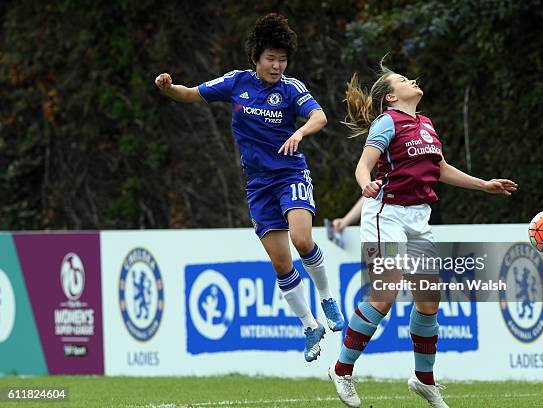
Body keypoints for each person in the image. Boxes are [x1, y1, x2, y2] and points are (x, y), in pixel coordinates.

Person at [154, 13, 344, 362]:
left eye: (282, 59)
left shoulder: (291, 88)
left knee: (302, 239)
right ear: (255, 57)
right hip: (258, 185)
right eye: (270, 58)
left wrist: (300, 132)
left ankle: (327, 299)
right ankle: (309, 325)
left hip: (290, 175)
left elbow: (319, 116)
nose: (276, 65)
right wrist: (168, 88)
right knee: (281, 264)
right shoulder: (236, 83)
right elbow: (191, 94)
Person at [328, 62, 517, 407]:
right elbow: (363, 164)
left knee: (429, 302)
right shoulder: (387, 122)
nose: (412, 80)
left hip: (419, 217)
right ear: (391, 96)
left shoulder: (426, 124)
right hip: (387, 213)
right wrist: (364, 183)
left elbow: (441, 169)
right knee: (384, 296)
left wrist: (484, 185)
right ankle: (342, 369)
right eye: (402, 80)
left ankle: (424, 380)